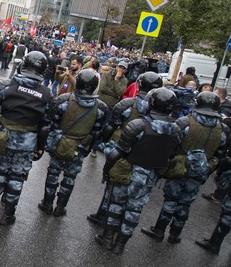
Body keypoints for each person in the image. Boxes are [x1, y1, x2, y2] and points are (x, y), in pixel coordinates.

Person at [98, 87, 182, 254]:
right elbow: (172, 157)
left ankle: (107, 238)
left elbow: (117, 152)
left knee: (116, 205)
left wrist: (106, 171)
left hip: (126, 172)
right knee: (134, 210)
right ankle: (120, 245)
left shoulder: (138, 125)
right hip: (149, 177)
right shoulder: (176, 130)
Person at [142, 91, 228, 243]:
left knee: (170, 200)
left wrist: (168, 164)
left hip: (178, 168)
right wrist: (207, 168)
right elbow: (220, 156)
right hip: (201, 171)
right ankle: (175, 234)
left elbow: (170, 144)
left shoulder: (185, 122)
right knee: (186, 203)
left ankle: (159, 230)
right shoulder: (222, 129)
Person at [0, 51, 52, 225]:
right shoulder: (46, 94)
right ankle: (9, 215)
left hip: (3, 138)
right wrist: (40, 148)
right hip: (27, 143)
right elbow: (45, 126)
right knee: (17, 177)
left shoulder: (6, 86)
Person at [87, 71, 164, 227]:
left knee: (112, 182)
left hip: (122, 149)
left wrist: (104, 142)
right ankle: (118, 221)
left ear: (138, 85)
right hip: (146, 154)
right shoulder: (164, 114)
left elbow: (110, 126)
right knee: (136, 193)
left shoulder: (127, 105)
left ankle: (104, 215)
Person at [38, 70, 108, 216]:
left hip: (60, 142)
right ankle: (60, 207)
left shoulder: (63, 100)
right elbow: (97, 131)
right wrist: (87, 148)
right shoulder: (101, 108)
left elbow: (53, 121)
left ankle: (48, 203)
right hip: (80, 146)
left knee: (53, 172)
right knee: (70, 177)